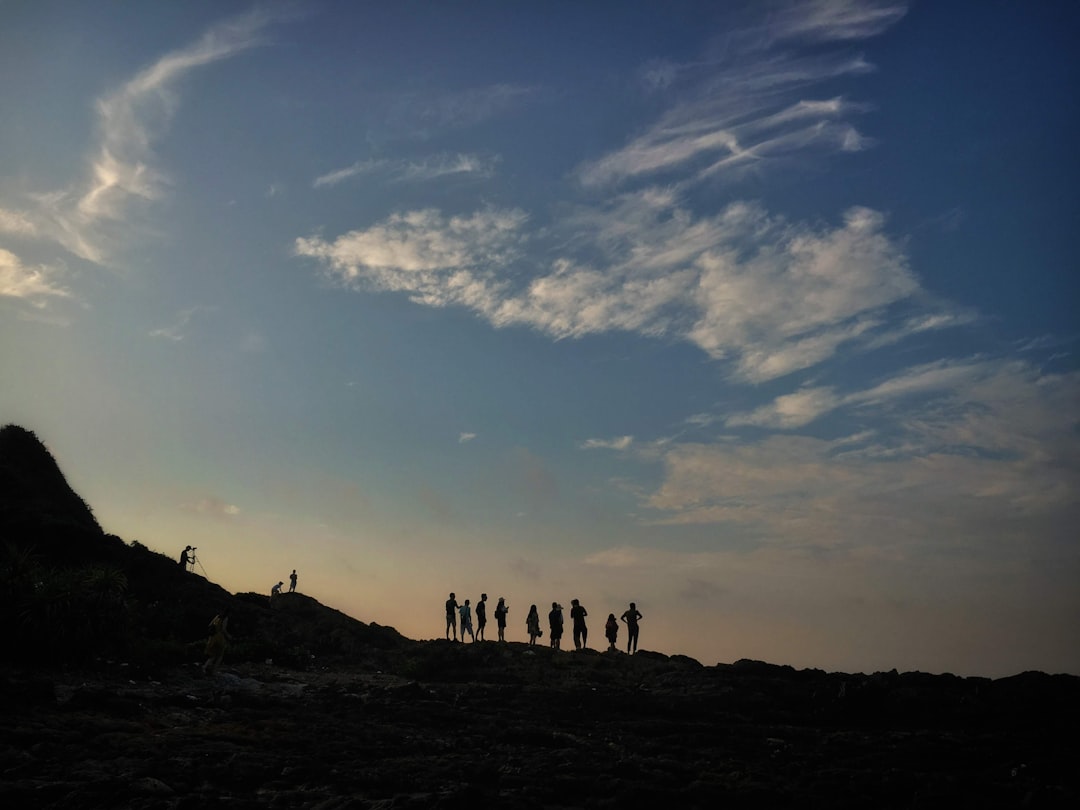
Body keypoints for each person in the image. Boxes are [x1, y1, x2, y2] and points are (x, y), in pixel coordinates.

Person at [202, 609, 232, 675]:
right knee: (219, 656)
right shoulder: (225, 618)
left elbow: (210, 625)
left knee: (213, 655)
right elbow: (223, 629)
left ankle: (204, 667)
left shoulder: (217, 617)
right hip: (219, 638)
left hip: (212, 637)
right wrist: (228, 636)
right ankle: (214, 671)